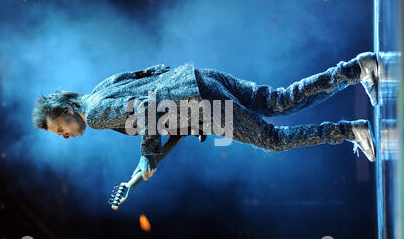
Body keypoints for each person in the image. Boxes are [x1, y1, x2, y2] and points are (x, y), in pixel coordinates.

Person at [32, 52, 378, 181]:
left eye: (59, 128)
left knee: (271, 141)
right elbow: (155, 73)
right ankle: (356, 69)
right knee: (277, 100)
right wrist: (164, 148)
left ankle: (349, 131)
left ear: (67, 111)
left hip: (202, 103)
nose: (64, 135)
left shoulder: (93, 114)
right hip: (199, 80)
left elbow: (146, 107)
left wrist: (147, 155)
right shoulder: (101, 87)